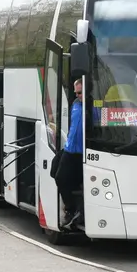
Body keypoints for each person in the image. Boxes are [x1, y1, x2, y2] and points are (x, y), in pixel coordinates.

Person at [55, 79, 84, 229]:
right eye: (76, 93)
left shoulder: (93, 107)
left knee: (63, 177)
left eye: (81, 93)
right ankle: (72, 207)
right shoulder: (75, 105)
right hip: (69, 149)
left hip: (81, 152)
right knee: (56, 173)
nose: (78, 95)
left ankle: (73, 210)